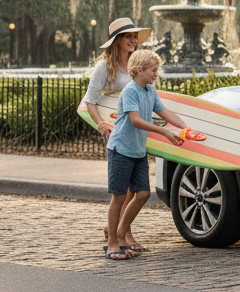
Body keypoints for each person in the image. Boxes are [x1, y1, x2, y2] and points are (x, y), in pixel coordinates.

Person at [104, 49, 189, 260]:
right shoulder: (130, 91)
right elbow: (135, 120)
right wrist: (164, 131)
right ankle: (113, 243)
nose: (156, 74)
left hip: (137, 151)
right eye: (153, 70)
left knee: (142, 194)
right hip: (121, 150)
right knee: (119, 196)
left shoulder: (150, 91)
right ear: (140, 70)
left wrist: (185, 128)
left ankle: (122, 233)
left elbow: (164, 112)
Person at [81, 17, 151, 254]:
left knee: (135, 189)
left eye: (135, 37)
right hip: (116, 131)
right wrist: (101, 124)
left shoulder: (136, 63)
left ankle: (122, 232)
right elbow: (89, 101)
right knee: (124, 190)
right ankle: (119, 236)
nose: (133, 41)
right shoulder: (104, 67)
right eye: (127, 37)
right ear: (117, 41)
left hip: (137, 129)